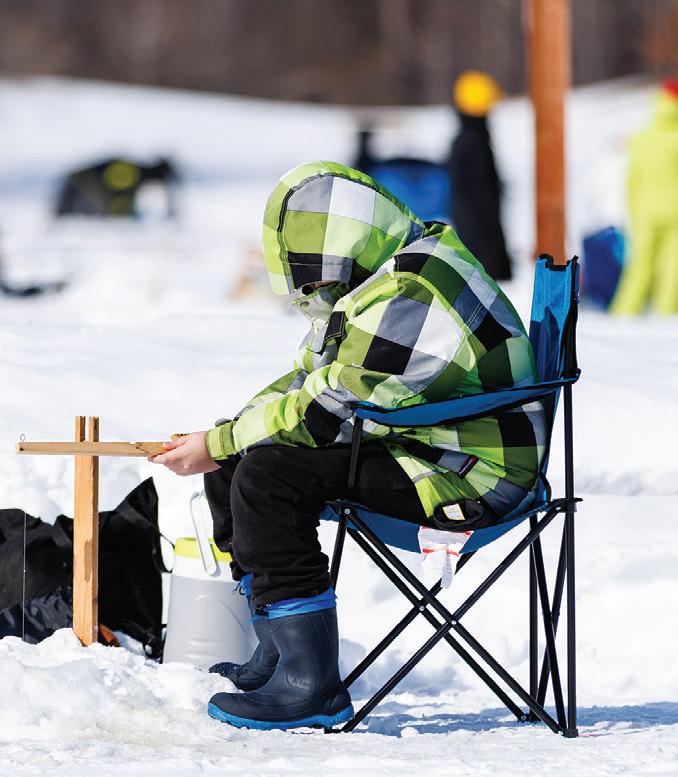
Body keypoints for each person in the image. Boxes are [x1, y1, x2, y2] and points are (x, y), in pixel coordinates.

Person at [151, 161, 546, 731]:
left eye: (314, 280)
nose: (314, 293)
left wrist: (223, 441)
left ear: (342, 252)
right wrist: (225, 435)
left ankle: (310, 683)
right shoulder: (386, 276)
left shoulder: (413, 292)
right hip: (427, 444)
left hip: (472, 474)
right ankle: (279, 649)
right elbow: (309, 380)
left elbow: (327, 409)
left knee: (267, 476)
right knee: (238, 458)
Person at [611, 80, 678, 315]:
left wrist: (633, 209)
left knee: (638, 267)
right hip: (675, 213)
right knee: (671, 269)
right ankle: (667, 317)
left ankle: (623, 314)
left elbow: (632, 179)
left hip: (645, 211)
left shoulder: (642, 138)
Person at [447, 71, 512, 281]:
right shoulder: (474, 143)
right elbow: (482, 205)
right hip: (482, 249)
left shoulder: (467, 140)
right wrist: (496, 259)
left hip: (477, 245)